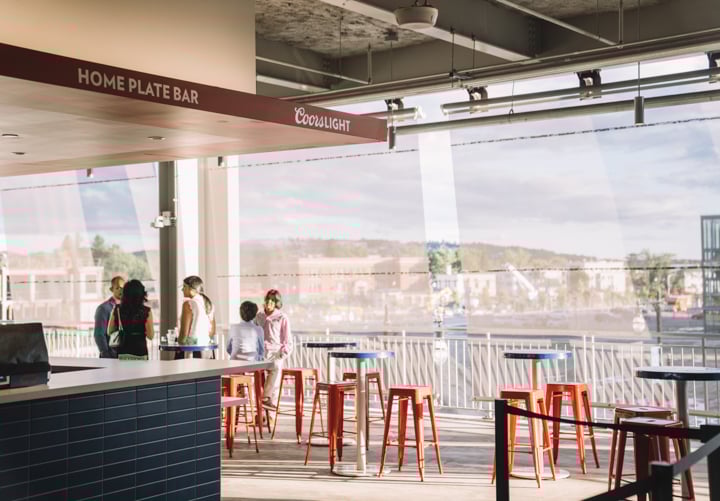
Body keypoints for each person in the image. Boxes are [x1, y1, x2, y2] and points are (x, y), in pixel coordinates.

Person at [256, 289, 292, 408]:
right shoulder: (259, 316)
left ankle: (270, 413)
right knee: (259, 379)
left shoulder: (282, 317)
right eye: (268, 299)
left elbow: (287, 340)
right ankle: (262, 409)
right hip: (260, 354)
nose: (269, 302)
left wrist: (283, 353)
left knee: (276, 371)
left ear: (276, 303)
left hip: (275, 353)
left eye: (272, 300)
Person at [107, 279, 154, 360]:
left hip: (122, 352)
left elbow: (109, 331)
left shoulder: (117, 309)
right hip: (140, 352)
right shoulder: (146, 311)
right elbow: (150, 336)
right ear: (142, 294)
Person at [178, 275, 216, 359]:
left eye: (184, 286)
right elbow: (212, 332)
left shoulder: (189, 304)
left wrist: (178, 342)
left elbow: (183, 335)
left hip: (193, 350)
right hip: (207, 349)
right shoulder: (209, 304)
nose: (182, 289)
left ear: (192, 289)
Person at [93, 276, 124, 358]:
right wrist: (106, 354)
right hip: (110, 356)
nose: (121, 290)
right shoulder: (103, 308)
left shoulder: (127, 308)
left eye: (123, 288)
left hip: (125, 356)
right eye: (117, 288)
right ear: (111, 289)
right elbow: (99, 334)